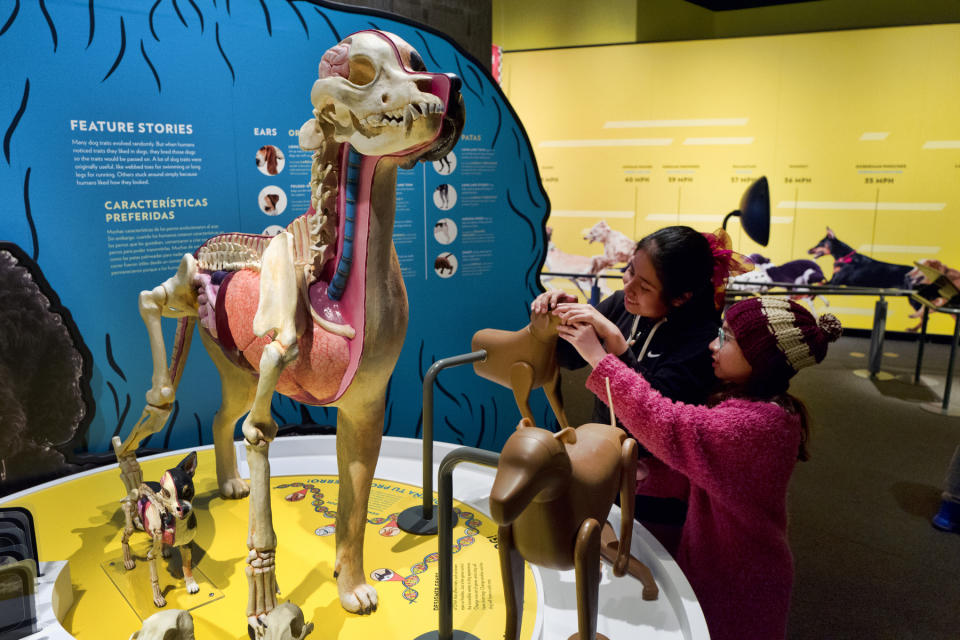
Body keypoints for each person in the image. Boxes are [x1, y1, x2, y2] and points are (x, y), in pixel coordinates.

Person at [559, 295, 842, 640]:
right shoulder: (762, 408)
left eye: (725, 337)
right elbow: (718, 476)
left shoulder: (756, 424)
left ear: (760, 357)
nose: (712, 344)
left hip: (738, 580)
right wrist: (656, 475)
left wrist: (598, 358)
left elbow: (668, 424)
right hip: (721, 562)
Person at [532, 225, 738, 550]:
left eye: (644, 286)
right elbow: (567, 357)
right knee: (596, 544)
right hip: (603, 458)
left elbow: (652, 414)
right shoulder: (621, 304)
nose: (628, 287)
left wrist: (608, 348)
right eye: (629, 270)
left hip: (656, 483)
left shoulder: (702, 341)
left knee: (646, 556)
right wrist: (556, 318)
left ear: (682, 296)